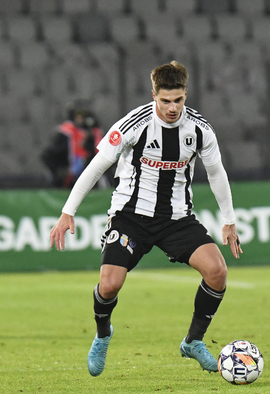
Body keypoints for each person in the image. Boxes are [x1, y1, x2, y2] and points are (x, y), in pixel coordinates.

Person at [49, 61, 242, 376]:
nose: (171, 108)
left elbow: (217, 172)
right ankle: (102, 334)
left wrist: (229, 220)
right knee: (110, 285)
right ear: (154, 95)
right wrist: (67, 212)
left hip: (177, 218)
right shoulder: (133, 124)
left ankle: (193, 342)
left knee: (217, 272)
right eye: (165, 101)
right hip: (130, 218)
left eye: (178, 100)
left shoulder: (199, 129)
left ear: (185, 95)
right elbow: (97, 166)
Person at [41, 107, 104, 188]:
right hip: (73, 159)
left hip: (85, 158)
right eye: (78, 117)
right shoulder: (69, 129)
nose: (80, 120)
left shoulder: (92, 131)